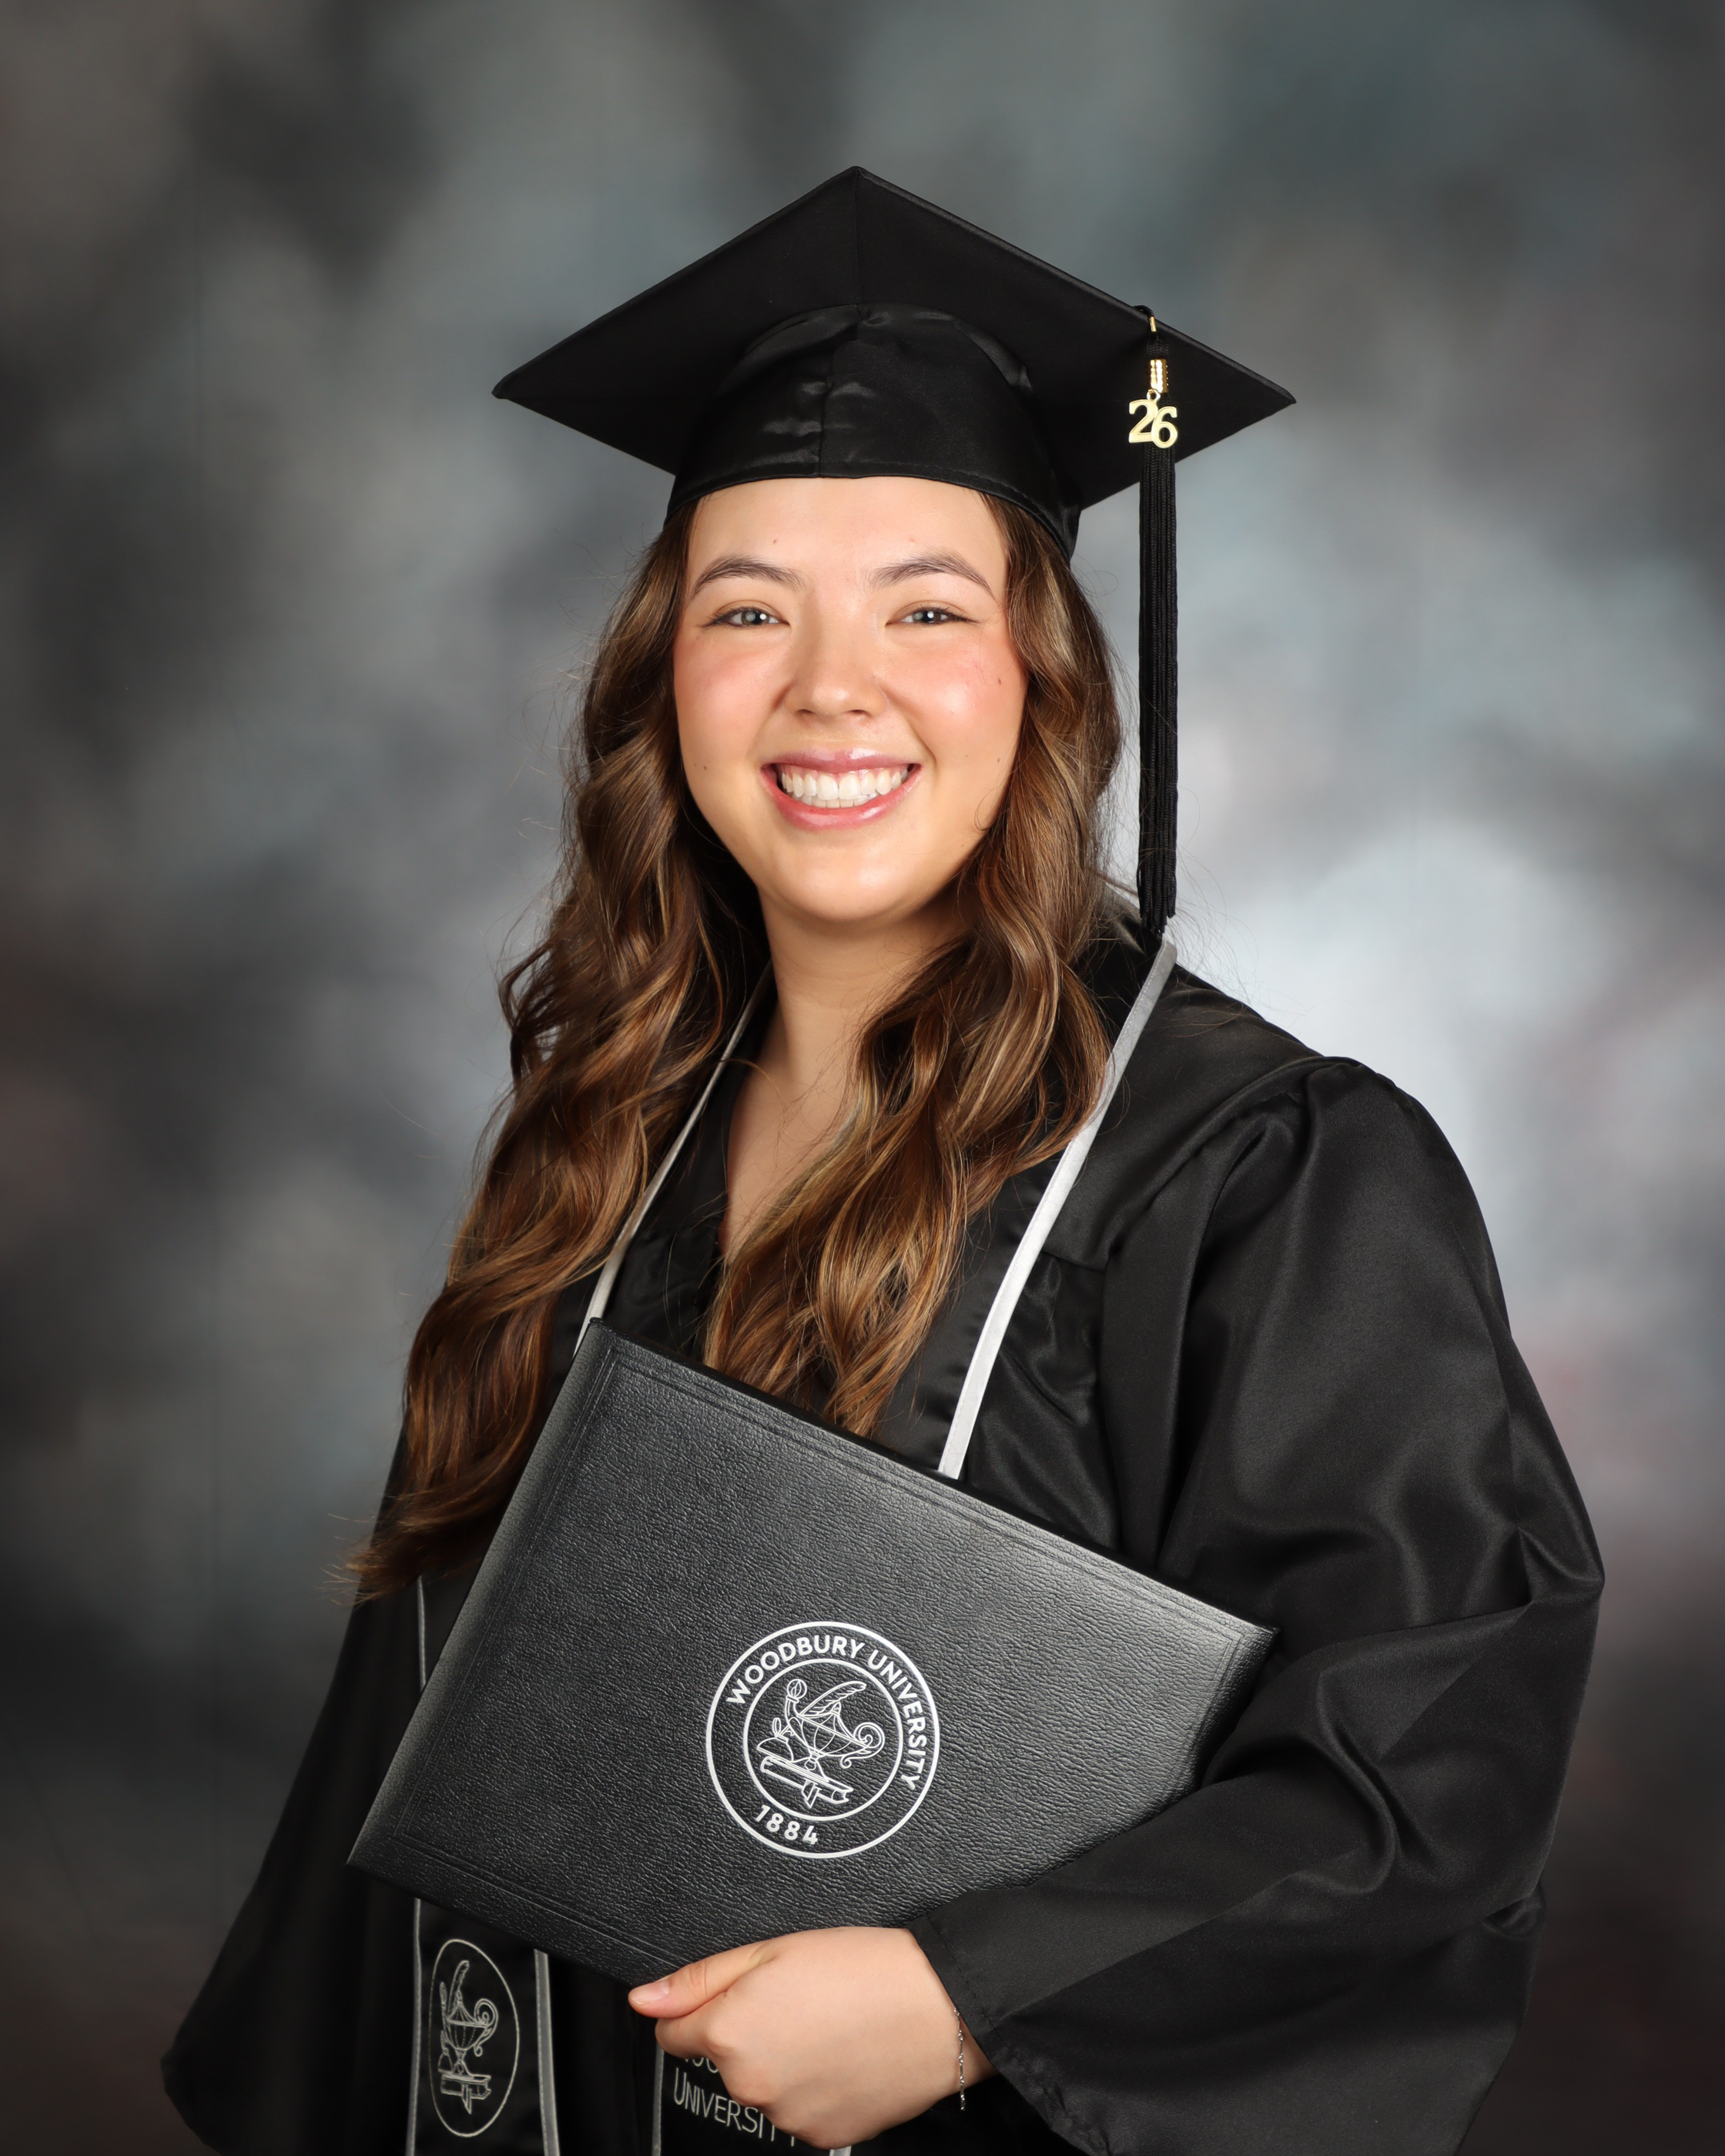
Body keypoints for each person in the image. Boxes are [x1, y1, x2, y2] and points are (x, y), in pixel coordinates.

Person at [164, 170, 1601, 2156]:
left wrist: (965, 1996)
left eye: (925, 609)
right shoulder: (605, 1132)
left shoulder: (1267, 1179)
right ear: (665, 675)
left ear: (1042, 674)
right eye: (749, 610)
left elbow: (1423, 1759)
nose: (829, 688)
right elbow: (414, 1739)